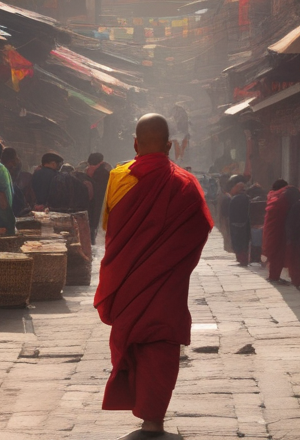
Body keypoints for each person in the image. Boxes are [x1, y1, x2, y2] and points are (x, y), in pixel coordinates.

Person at [94, 113, 212, 438]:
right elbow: (200, 228)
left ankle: (147, 417)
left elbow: (110, 231)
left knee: (136, 337)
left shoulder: (118, 178)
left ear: (135, 143)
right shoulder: (187, 184)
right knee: (160, 342)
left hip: (128, 280)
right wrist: (172, 263)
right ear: (170, 146)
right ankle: (154, 420)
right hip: (167, 284)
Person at [263, 180, 300, 284]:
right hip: (282, 227)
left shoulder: (272, 195)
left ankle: (274, 276)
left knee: (275, 252)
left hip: (271, 228)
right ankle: (294, 279)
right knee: (287, 252)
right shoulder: (288, 192)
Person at [86, 152, 111, 243]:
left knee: (94, 221)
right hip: (96, 201)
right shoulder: (104, 170)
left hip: (98, 201)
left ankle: (92, 239)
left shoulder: (102, 172)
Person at [227, 176, 250, 266]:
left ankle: (241, 259)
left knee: (237, 242)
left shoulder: (234, 199)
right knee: (244, 241)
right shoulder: (247, 198)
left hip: (235, 224)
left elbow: (230, 213)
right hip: (244, 223)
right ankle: (243, 259)